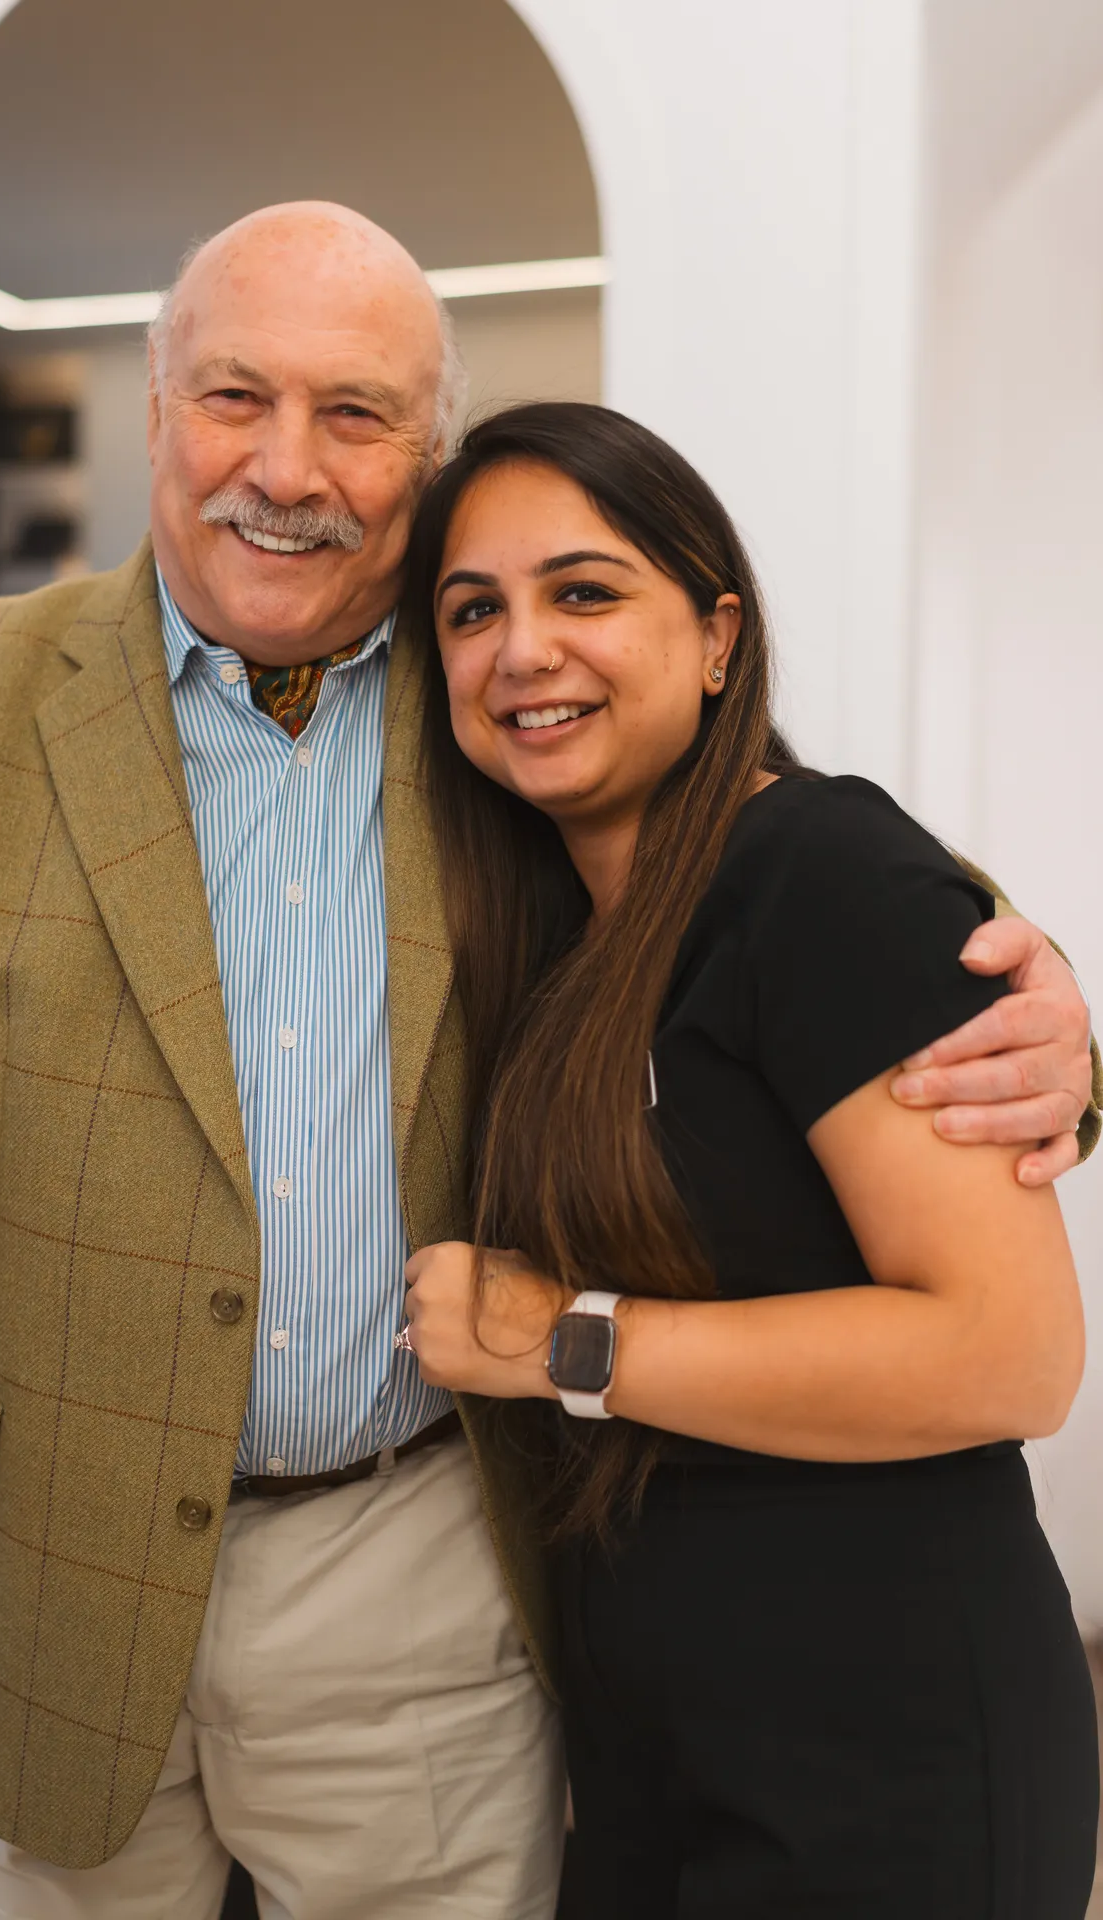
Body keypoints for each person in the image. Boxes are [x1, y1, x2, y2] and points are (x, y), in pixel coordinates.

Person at [0, 205, 1092, 1919]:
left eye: (355, 413)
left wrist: (1063, 1034)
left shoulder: (504, 688)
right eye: (234, 397)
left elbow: (839, 893)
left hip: (419, 1570)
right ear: (153, 406)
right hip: (62, 1588)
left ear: (424, 449)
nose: (285, 467)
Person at [399, 400, 1100, 1918]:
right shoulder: (557, 929)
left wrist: (556, 1339)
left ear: (717, 635)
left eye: (582, 592)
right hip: (655, 1750)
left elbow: (1011, 1355)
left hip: (884, 1752)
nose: (521, 649)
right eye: (473, 612)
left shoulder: (817, 868)